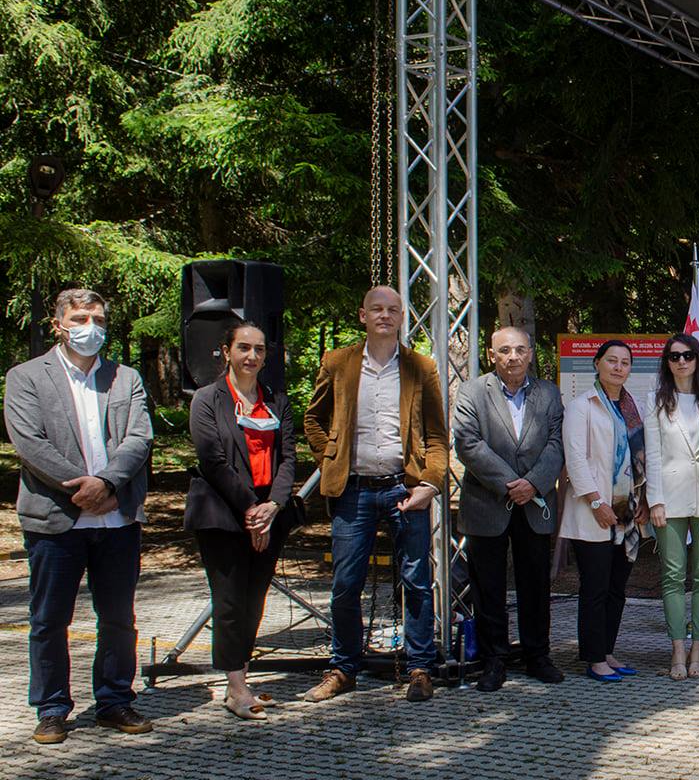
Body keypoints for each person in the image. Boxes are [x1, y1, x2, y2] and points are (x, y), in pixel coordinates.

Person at [5, 288, 155, 743]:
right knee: (50, 620)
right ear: (59, 325)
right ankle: (52, 708)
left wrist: (107, 483)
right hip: (56, 520)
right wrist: (84, 489)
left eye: (98, 319)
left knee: (118, 618)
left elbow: (139, 437)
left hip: (116, 520)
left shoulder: (125, 377)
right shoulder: (26, 376)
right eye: (80, 318)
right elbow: (29, 443)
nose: (90, 327)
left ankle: (114, 700)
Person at [302, 286, 448, 703]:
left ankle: (420, 668)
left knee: (416, 582)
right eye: (377, 309)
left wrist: (429, 484)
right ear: (363, 315)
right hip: (354, 491)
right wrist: (330, 459)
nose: (385, 315)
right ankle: (343, 669)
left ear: (402, 317)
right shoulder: (338, 363)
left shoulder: (421, 367)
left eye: (393, 309)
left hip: (406, 489)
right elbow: (313, 419)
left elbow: (437, 435)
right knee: (346, 584)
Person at [184, 321, 298, 720]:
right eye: (244, 348)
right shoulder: (206, 399)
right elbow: (212, 460)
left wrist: (273, 507)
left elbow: (288, 458)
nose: (252, 356)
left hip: (269, 514)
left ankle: (243, 678)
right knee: (230, 601)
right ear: (227, 351)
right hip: (224, 513)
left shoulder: (276, 400)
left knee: (254, 600)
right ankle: (235, 688)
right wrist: (252, 510)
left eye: (259, 349)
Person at [453, 326, 566, 693]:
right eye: (504, 350)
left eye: (519, 349)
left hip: (534, 504)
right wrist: (510, 484)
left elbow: (556, 443)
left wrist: (532, 483)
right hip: (487, 503)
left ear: (530, 353)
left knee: (536, 585)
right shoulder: (472, 391)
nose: (513, 356)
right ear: (492, 355)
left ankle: (538, 656)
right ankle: (494, 660)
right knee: (488, 588)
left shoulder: (548, 393)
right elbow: (468, 444)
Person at [559, 339, 647, 682]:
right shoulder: (582, 406)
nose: (618, 367)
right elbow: (575, 459)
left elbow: (639, 459)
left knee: (616, 588)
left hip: (626, 514)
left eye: (625, 362)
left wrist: (640, 500)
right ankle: (594, 658)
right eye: (612, 360)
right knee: (595, 588)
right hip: (593, 511)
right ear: (597, 363)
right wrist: (597, 502)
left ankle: (608, 651)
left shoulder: (631, 407)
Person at [645, 332, 699, 680]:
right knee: (672, 576)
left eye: (688, 355)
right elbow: (653, 455)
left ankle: (698, 648)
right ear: (667, 362)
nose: (681, 362)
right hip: (669, 498)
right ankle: (677, 648)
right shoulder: (656, 401)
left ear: (697, 359)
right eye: (674, 356)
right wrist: (655, 500)